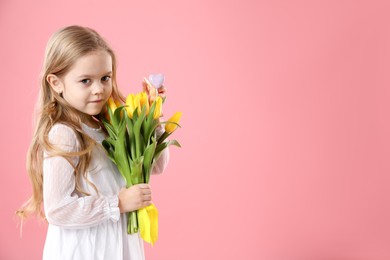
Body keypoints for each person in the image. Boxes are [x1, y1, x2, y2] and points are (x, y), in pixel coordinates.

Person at [16, 25, 170, 260]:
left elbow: (157, 166)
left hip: (117, 243)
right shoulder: (66, 133)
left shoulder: (111, 125)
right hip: (86, 249)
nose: (99, 89)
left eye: (105, 78)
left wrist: (151, 117)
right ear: (56, 83)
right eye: (86, 81)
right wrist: (116, 204)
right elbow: (57, 210)